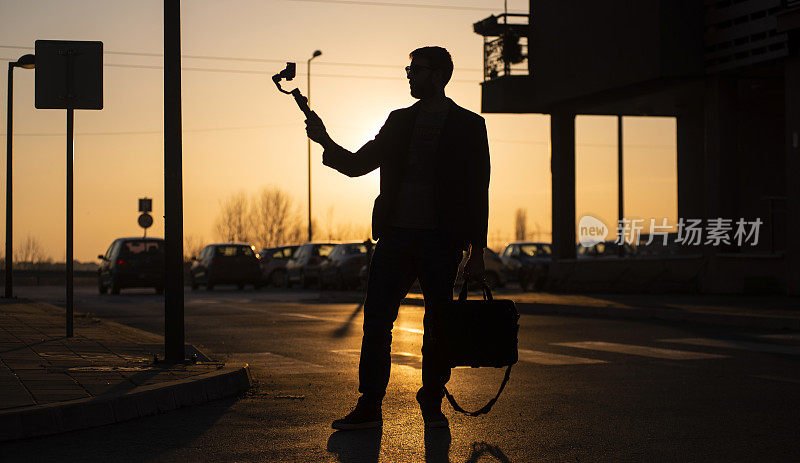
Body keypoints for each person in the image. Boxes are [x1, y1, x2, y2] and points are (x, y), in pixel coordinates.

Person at [305, 46, 490, 430]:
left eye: (415, 69)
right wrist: (324, 141)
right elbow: (358, 164)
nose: (408, 75)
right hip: (395, 239)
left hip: (442, 242)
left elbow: (478, 192)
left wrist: (478, 252)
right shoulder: (398, 121)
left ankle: (432, 403)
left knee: (437, 325)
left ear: (437, 74)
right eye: (409, 68)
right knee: (376, 322)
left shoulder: (469, 125)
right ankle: (370, 405)